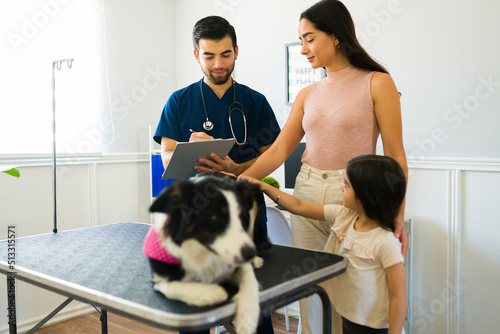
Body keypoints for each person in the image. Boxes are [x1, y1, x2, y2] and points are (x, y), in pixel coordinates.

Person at [241, 1, 408, 333]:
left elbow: (395, 158)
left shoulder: (377, 83)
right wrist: (241, 178)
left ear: (335, 36)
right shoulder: (308, 93)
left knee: (354, 292)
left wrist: (396, 216)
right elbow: (278, 150)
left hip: (355, 199)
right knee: (311, 289)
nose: (303, 48)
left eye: (309, 38)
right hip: (307, 189)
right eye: (300, 40)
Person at [153, 15, 280, 334]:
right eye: (209, 56)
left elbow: (272, 157)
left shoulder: (255, 102)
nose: (218, 63)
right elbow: (166, 154)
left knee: (254, 308)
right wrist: (184, 147)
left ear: (236, 51)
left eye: (225, 54)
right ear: (196, 55)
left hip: (247, 219)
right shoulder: (179, 102)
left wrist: (238, 168)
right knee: (194, 313)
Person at [240, 155, 407, 334]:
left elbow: (399, 296)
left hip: (374, 326)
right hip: (348, 315)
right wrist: (262, 186)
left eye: (347, 185)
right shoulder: (344, 215)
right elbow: (298, 206)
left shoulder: (385, 242)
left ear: (367, 196)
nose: (341, 188)